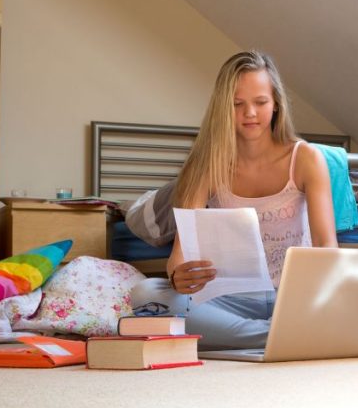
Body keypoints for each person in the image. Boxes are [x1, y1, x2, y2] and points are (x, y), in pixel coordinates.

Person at [130, 50, 337, 349]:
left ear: (276, 103)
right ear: (221, 108)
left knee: (355, 295)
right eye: (237, 104)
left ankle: (264, 334)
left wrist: (325, 295)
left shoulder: (306, 158)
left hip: (292, 296)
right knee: (145, 295)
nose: (249, 113)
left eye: (260, 102)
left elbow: (327, 246)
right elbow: (179, 256)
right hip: (226, 298)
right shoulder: (205, 164)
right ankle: (282, 336)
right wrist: (178, 277)